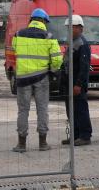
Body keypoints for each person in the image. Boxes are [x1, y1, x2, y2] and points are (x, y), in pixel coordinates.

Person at [12, 8, 63, 153]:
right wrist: (53, 70)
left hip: (22, 78)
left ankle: (21, 144)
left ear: (31, 20)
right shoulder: (49, 37)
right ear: (44, 21)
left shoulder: (18, 34)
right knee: (42, 109)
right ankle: (43, 143)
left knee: (23, 110)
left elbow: (16, 50)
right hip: (41, 78)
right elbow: (57, 59)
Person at [61, 15, 93, 146]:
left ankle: (85, 136)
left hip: (77, 83)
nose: (70, 30)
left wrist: (78, 84)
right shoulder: (72, 42)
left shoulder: (82, 44)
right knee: (71, 111)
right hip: (69, 82)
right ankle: (75, 135)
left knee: (81, 110)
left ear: (80, 28)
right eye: (68, 27)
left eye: (72, 27)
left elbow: (84, 67)